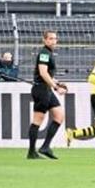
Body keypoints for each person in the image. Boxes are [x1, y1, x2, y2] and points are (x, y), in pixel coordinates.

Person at [28, 30, 68, 160]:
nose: (53, 41)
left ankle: (45, 147)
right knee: (37, 121)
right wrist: (56, 87)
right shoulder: (44, 53)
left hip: (46, 89)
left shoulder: (49, 53)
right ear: (44, 40)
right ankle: (31, 152)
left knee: (59, 116)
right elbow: (43, 73)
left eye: (55, 38)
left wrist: (57, 82)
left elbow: (47, 75)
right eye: (50, 38)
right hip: (41, 90)